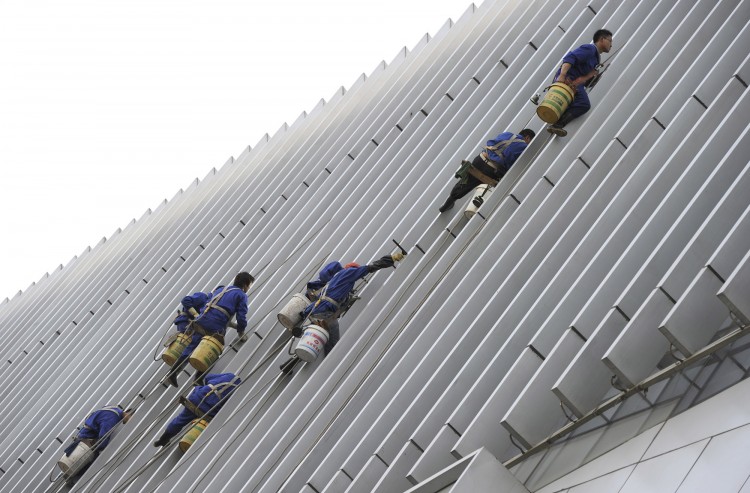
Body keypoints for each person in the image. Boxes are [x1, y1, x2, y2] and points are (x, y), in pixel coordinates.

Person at [279, 252, 405, 373]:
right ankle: (329, 365)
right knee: (333, 337)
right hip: (323, 313)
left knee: (314, 341)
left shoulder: (335, 280)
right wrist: (391, 258)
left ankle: (289, 365)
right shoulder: (349, 273)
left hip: (315, 311)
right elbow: (370, 267)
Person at [439, 129, 535, 213]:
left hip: (480, 159)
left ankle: (450, 200)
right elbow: (514, 165)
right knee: (493, 184)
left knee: (465, 182)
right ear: (527, 137)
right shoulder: (524, 147)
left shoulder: (507, 134)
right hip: (492, 170)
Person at [547, 29, 613, 137]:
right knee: (583, 103)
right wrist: (562, 76)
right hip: (568, 80)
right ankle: (558, 124)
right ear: (602, 39)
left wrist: (592, 75)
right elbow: (570, 58)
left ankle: (557, 120)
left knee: (578, 103)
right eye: (610, 41)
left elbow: (585, 81)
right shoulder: (590, 49)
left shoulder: (595, 58)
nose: (611, 45)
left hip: (574, 84)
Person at [153, 372, 241, 447]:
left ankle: (163, 439)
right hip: (209, 411)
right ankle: (193, 441)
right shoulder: (239, 389)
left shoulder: (230, 375)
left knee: (180, 420)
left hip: (196, 399)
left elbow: (208, 377)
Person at [61, 405, 133, 482]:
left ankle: (67, 474)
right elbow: (103, 437)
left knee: (76, 460)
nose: (128, 423)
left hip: (83, 436)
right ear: (129, 413)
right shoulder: (112, 417)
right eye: (131, 419)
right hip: (86, 440)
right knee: (93, 460)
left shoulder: (113, 409)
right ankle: (74, 480)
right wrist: (102, 448)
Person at [165, 287, 220, 387]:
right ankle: (173, 374)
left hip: (195, 327)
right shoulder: (203, 296)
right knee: (191, 346)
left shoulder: (213, 307)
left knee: (207, 350)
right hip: (186, 323)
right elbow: (185, 300)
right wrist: (195, 314)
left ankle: (198, 378)